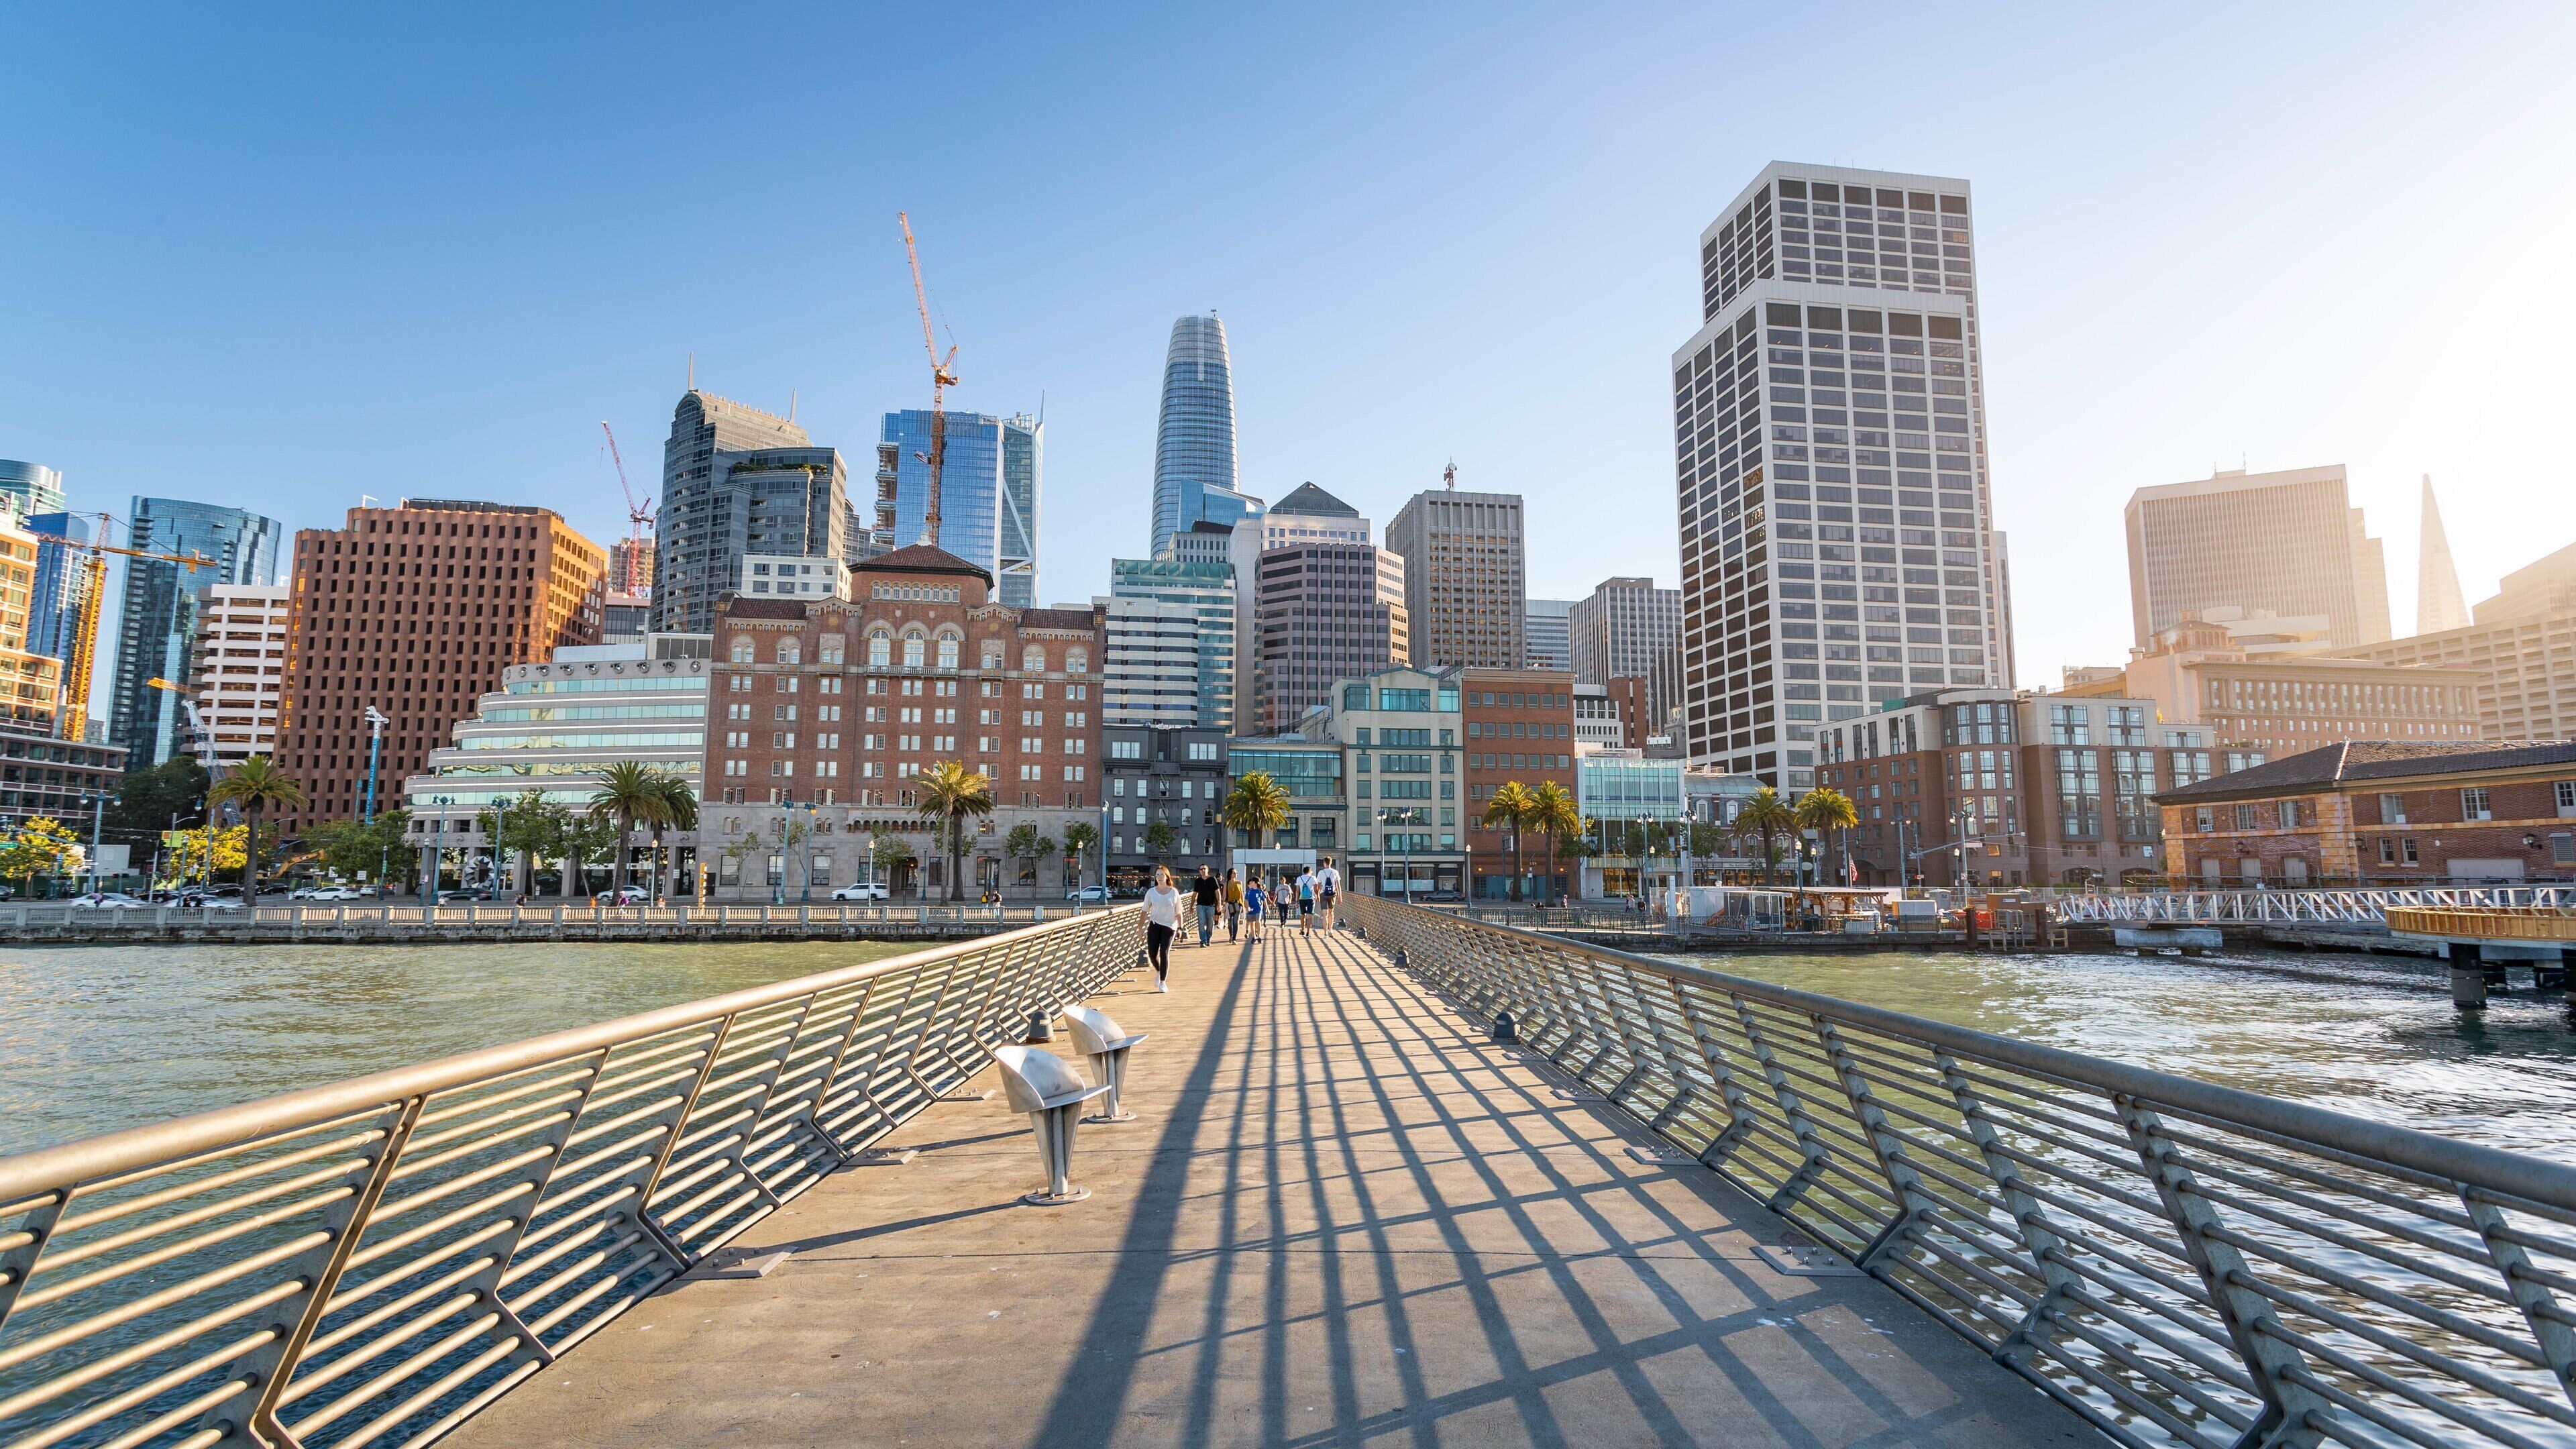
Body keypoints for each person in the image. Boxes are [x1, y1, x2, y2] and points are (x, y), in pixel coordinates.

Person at [1141, 866, 1182, 991]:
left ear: (1167, 876)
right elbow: (1144, 911)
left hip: (1170, 926)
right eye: (1157, 875)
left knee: (1164, 952)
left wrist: (1180, 927)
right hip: (1155, 924)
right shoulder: (1151, 892)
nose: (1159, 877)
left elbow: (1179, 912)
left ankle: (1163, 983)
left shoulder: (1174, 892)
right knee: (1152, 954)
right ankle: (1160, 971)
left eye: (1161, 875)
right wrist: (1140, 928)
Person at [1191, 865, 1220, 948]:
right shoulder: (1198, 881)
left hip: (1211, 905)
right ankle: (1203, 941)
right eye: (1201, 869)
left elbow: (1217, 892)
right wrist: (1191, 906)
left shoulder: (1212, 879)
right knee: (1201, 923)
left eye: (1204, 869)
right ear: (1199, 871)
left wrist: (1219, 903)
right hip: (1200, 905)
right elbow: (1195, 894)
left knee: (1210, 923)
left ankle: (1208, 938)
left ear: (1208, 870)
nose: (1203, 870)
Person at [1316, 855, 1341, 930]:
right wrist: (1340, 897)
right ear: (1331, 863)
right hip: (1333, 894)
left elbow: (1319, 886)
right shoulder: (1335, 872)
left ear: (1324, 863)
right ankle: (1331, 930)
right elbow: (1338, 886)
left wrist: (1317, 895)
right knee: (1331, 912)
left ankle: (1325, 933)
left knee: (1324, 914)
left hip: (1323, 894)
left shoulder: (1321, 872)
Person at [1242, 876, 1267, 943]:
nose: (1251, 883)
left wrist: (1267, 908)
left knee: (1258, 921)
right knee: (1252, 923)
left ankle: (1259, 937)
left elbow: (1264, 900)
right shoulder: (1249, 891)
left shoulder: (1260, 891)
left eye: (1252, 882)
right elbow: (1246, 900)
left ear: (1256, 883)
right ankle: (1254, 937)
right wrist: (1247, 908)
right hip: (1251, 909)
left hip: (1258, 908)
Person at [1295, 865, 1318, 932]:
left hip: (1302, 898)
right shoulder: (1313, 878)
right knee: (1310, 915)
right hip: (1311, 898)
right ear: (1310, 871)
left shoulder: (1299, 878)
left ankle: (1302, 929)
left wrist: (1296, 901)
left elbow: (1297, 891)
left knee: (1303, 914)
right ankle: (1308, 931)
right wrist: (1318, 896)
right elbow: (1315, 890)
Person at [1222, 867, 1244, 942]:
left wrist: (1243, 905)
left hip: (1238, 903)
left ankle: (1234, 938)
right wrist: (1223, 905)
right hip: (1230, 904)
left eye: (1236, 873)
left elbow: (1242, 894)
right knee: (1229, 922)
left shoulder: (1239, 883)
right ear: (1230, 874)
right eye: (1234, 873)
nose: (1236, 874)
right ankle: (1230, 936)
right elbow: (1224, 895)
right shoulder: (1227, 883)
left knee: (1235, 921)